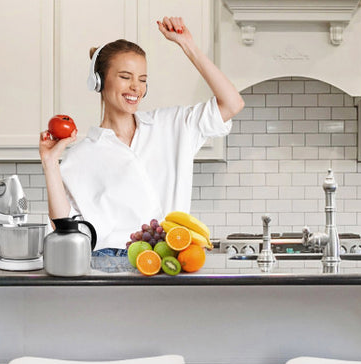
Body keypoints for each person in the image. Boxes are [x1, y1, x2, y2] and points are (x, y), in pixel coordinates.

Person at [39, 16, 245, 254]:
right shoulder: (81, 155)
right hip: (109, 264)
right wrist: (50, 162)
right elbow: (62, 229)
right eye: (125, 77)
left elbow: (232, 103)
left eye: (143, 80)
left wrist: (187, 45)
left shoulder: (172, 125)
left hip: (170, 260)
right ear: (98, 81)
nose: (136, 87)